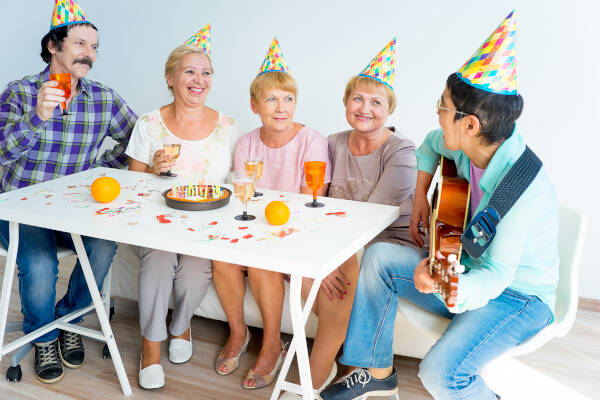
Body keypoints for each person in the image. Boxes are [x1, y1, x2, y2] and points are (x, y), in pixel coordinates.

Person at [321, 11, 558, 400]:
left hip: (518, 296)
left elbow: (497, 274)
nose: (437, 112)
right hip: (467, 269)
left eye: (443, 106)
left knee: (440, 375)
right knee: (379, 257)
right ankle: (375, 372)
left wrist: (449, 285)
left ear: (470, 125)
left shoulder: (523, 188)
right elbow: (431, 143)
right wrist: (419, 200)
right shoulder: (463, 144)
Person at [0, 0, 137, 384]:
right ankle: (43, 334)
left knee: (104, 245)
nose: (88, 54)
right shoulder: (21, 93)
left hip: (73, 209)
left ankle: (69, 318)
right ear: (53, 47)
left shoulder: (103, 99)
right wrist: (37, 117)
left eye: (94, 47)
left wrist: (100, 172)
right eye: (80, 44)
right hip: (19, 209)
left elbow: (137, 140)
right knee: (41, 264)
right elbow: (1, 151)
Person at [279, 38, 418, 399]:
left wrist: (330, 260)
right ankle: (345, 356)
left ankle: (310, 380)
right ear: (345, 102)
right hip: (340, 240)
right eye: (357, 99)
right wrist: (318, 255)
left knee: (345, 275)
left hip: (386, 244)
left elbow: (370, 222)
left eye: (376, 102)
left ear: (389, 109)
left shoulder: (401, 151)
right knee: (304, 272)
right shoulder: (333, 142)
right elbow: (317, 204)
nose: (365, 108)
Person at [212, 37, 331, 390]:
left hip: (292, 231)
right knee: (222, 259)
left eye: (288, 99)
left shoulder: (313, 140)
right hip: (254, 228)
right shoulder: (246, 143)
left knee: (263, 262)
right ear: (255, 105)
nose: (281, 108)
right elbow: (241, 199)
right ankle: (238, 334)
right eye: (272, 99)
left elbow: (314, 197)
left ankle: (272, 345)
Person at [126, 25, 238, 390]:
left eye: (205, 72)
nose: (198, 79)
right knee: (159, 262)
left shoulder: (228, 127)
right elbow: (132, 185)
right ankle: (151, 346)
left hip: (203, 228)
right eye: (189, 71)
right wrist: (153, 171)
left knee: (192, 275)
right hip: (155, 226)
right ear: (171, 78)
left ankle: (180, 325)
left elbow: (236, 186)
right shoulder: (149, 124)